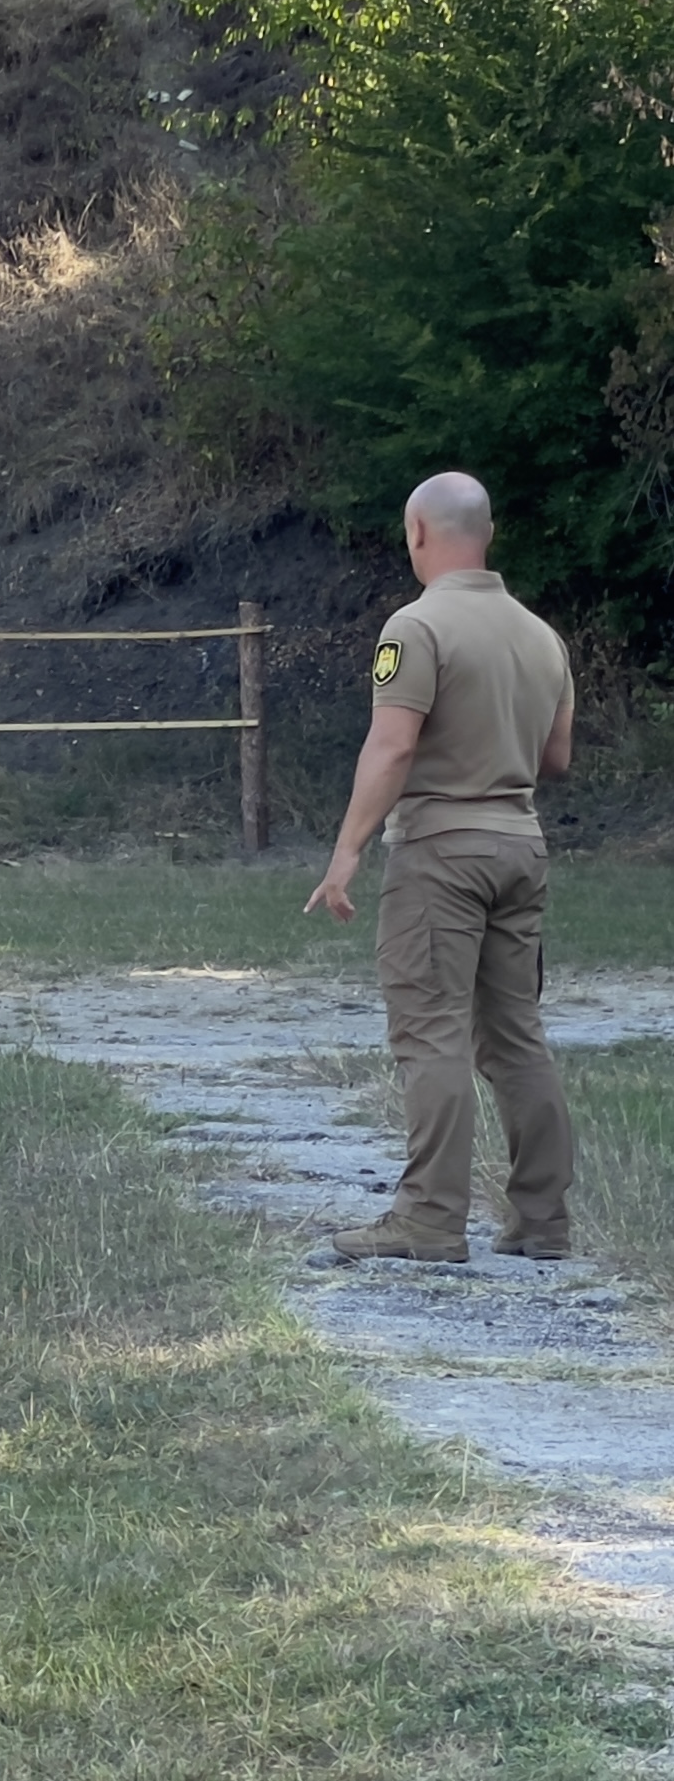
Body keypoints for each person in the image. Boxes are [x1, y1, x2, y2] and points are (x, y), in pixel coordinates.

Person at [305, 472, 577, 1263]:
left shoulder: (414, 626)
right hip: (520, 846)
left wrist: (346, 850)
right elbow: (555, 758)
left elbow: (391, 745)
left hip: (440, 851)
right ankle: (542, 1220)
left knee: (430, 1033)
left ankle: (428, 1217)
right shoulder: (542, 636)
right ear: (485, 533)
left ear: (416, 532)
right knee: (515, 1035)